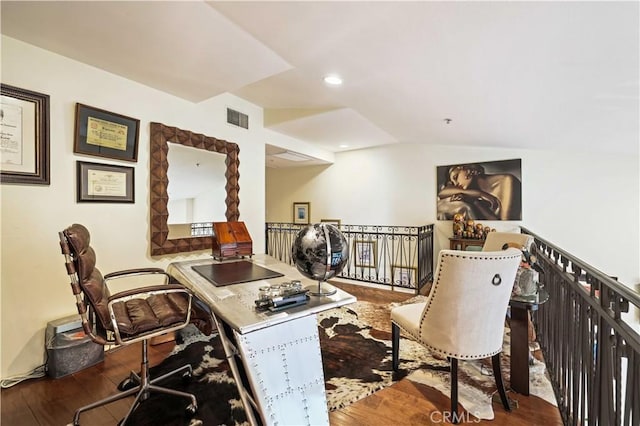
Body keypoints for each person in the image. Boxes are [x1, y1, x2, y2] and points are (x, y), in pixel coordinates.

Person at [437, 163, 522, 220]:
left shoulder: (507, 181)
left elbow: (504, 227)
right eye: (453, 183)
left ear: (466, 169)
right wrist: (478, 196)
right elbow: (441, 193)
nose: (456, 184)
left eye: (456, 177)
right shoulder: (475, 195)